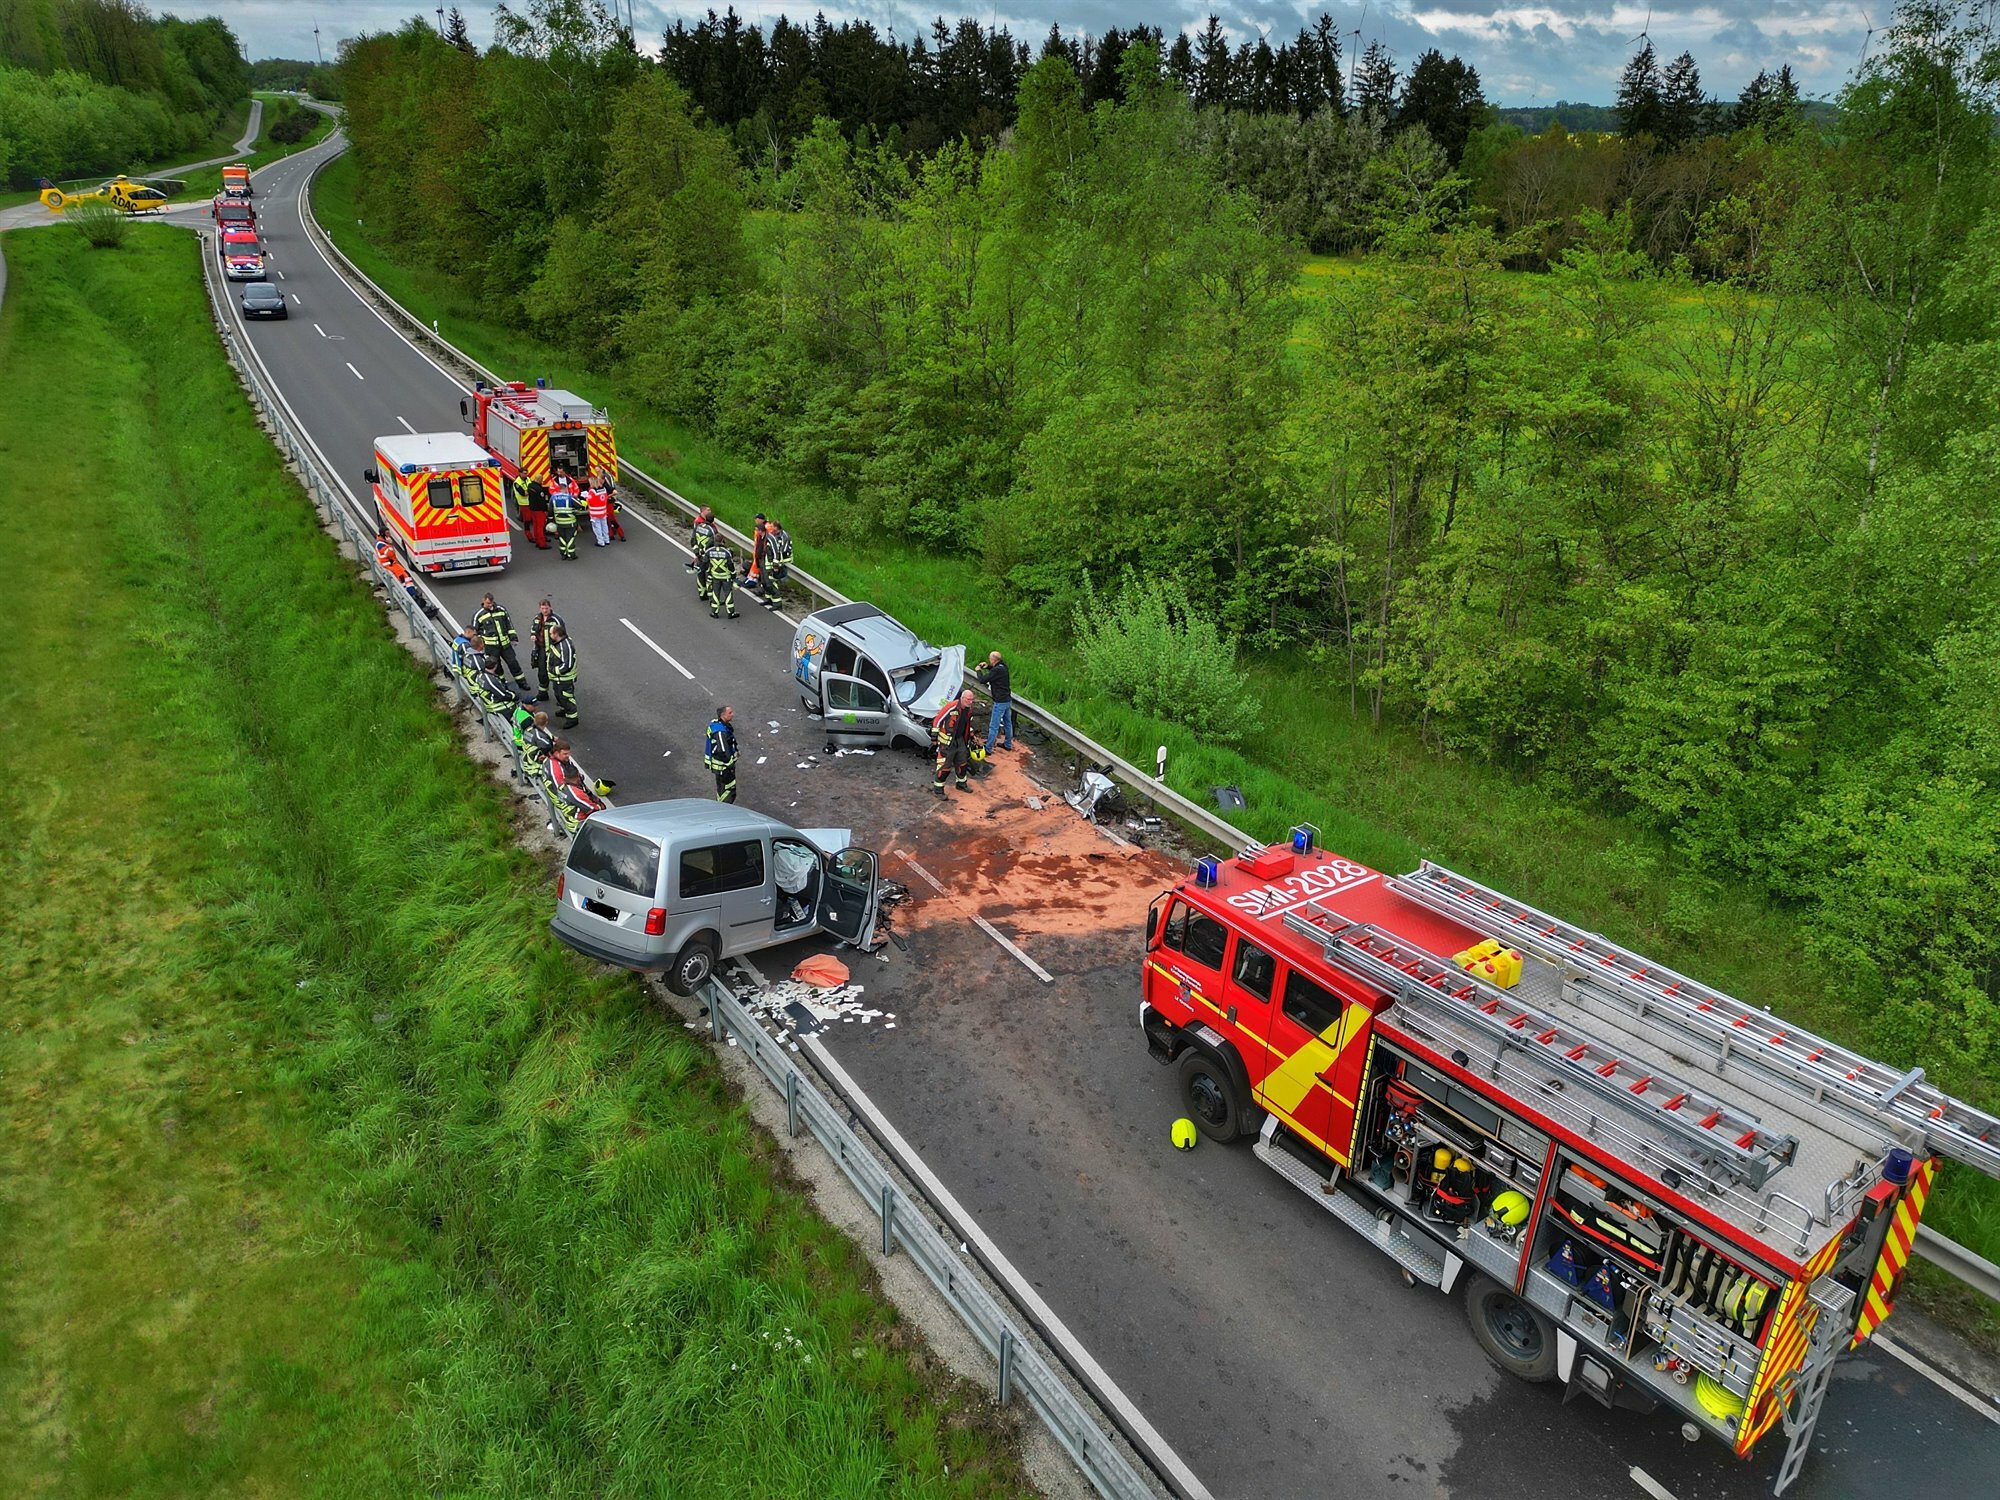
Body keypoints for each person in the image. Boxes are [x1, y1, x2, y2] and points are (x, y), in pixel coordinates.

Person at [374, 530, 441, 621]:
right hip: (391, 567)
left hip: (393, 566)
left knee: (406, 577)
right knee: (403, 580)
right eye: (387, 533)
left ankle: (412, 593)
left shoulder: (382, 542)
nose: (389, 534)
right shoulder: (381, 544)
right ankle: (409, 596)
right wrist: (390, 545)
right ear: (383, 534)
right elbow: (389, 554)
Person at [474, 592, 531, 693]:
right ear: (483, 601)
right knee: (497, 667)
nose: (490, 605)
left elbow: (508, 624)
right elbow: (475, 632)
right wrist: (481, 644)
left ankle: (521, 682)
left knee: (513, 663)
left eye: (491, 603)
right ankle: (502, 684)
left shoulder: (501, 610)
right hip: (491, 647)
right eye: (487, 603)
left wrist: (513, 637)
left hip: (505, 645)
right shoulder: (479, 615)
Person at [931, 689, 977, 797]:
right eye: (968, 699)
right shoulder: (951, 706)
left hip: (960, 740)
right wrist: (934, 737)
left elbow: (966, 723)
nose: (970, 702)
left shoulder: (968, 710)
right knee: (944, 767)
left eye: (972, 700)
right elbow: (938, 719)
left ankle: (961, 784)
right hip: (947, 743)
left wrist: (971, 734)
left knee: (962, 763)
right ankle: (938, 790)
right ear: (962, 698)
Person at [976, 650, 1015, 753]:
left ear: (993, 659)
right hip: (1007, 700)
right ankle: (1008, 744)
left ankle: (988, 749)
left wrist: (978, 670)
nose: (989, 659)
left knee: (994, 726)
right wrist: (988, 666)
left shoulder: (996, 670)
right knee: (1008, 723)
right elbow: (995, 670)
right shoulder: (1003, 666)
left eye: (990, 658)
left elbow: (982, 680)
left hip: (1000, 702)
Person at [528, 598, 565, 703]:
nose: (544, 610)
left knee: (554, 672)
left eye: (546, 608)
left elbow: (562, 634)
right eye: (542, 608)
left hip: (553, 650)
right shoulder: (537, 618)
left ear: (550, 607)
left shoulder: (556, 620)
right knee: (542, 671)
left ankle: (561, 697)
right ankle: (543, 693)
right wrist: (533, 635)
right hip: (541, 649)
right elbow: (533, 629)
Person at [704, 704, 739, 803]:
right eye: (730, 713)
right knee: (726, 791)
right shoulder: (720, 732)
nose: (733, 714)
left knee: (724, 789)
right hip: (723, 767)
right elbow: (722, 750)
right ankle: (724, 807)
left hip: (722, 767)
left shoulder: (717, 725)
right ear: (723, 715)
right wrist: (730, 762)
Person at [547, 622, 579, 727]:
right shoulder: (558, 643)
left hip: (564, 679)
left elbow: (567, 665)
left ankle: (572, 718)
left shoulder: (566, 646)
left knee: (566, 697)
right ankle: (565, 710)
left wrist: (553, 670)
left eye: (551, 633)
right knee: (559, 695)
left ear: (556, 634)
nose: (550, 636)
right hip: (557, 678)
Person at [700, 539, 740, 620]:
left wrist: (703, 571)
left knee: (715, 594)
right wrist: (734, 577)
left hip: (715, 577)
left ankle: (714, 612)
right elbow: (731, 566)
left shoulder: (709, 551)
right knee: (728, 594)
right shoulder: (726, 552)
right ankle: (731, 613)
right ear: (722, 541)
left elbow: (704, 564)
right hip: (726, 577)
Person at [759, 518, 793, 610]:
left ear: (776, 527)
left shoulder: (784, 536)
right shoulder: (771, 536)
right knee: (766, 582)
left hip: (781, 561)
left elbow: (780, 551)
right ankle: (769, 599)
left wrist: (776, 565)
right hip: (771, 563)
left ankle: (777, 603)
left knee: (772, 582)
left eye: (772, 526)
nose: (771, 528)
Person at [550, 475, 581, 560]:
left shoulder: (553, 497)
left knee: (561, 538)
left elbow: (550, 510)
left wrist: (550, 520)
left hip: (559, 522)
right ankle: (571, 554)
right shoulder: (570, 497)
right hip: (570, 522)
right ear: (566, 489)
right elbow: (579, 505)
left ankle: (563, 554)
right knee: (570, 538)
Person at [686, 505, 716, 582]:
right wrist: (697, 553)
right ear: (703, 511)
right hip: (703, 550)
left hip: (705, 549)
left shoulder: (707, 520)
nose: (710, 511)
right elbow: (695, 538)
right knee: (703, 568)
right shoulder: (698, 522)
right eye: (708, 510)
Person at [520, 474, 550, 549]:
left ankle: (537, 541)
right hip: (539, 511)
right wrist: (545, 510)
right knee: (540, 527)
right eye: (542, 480)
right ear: (539, 480)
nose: (542, 481)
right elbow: (542, 501)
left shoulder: (530, 486)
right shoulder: (539, 489)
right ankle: (542, 544)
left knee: (535, 526)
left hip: (532, 509)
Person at [599, 469, 626, 541]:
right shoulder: (600, 485)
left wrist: (608, 496)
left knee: (612, 520)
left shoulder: (606, 486)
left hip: (609, 504)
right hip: (604, 505)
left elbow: (615, 492)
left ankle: (621, 535)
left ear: (603, 479)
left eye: (599, 480)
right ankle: (610, 535)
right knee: (607, 520)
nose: (598, 481)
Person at [585, 474, 612, 547]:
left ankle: (600, 542)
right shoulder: (604, 489)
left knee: (597, 527)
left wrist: (586, 498)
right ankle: (607, 539)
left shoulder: (592, 491)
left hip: (595, 512)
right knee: (604, 525)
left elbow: (590, 501)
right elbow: (605, 498)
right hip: (603, 511)